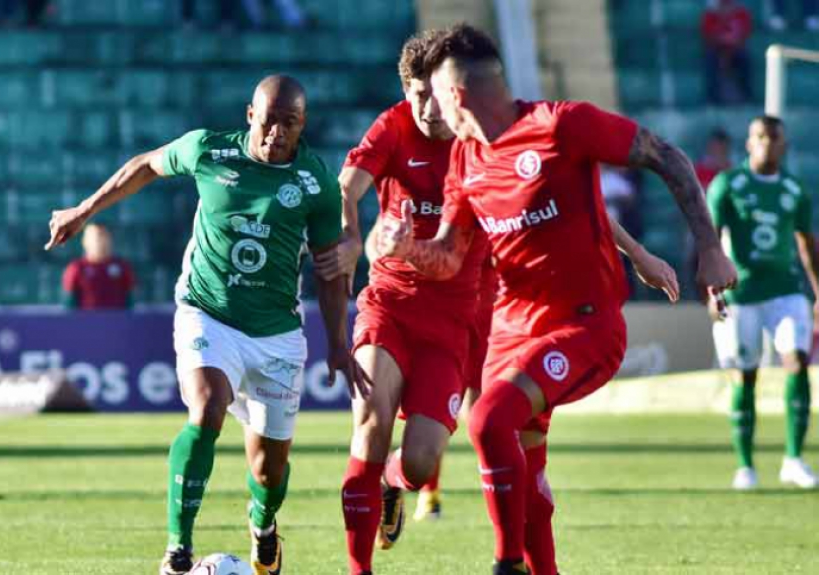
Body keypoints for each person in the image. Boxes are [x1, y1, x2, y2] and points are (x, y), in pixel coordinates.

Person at [314, 29, 681, 575]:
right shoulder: (396, 128)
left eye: (434, 96)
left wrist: (637, 254)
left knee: (423, 462)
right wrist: (354, 239)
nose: (426, 109)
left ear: (455, 91)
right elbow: (348, 186)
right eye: (416, 95)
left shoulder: (495, 141)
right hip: (392, 302)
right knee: (375, 422)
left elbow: (573, 201)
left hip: (467, 315)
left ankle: (400, 482)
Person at [45, 74, 364, 575]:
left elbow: (329, 271)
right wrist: (84, 212)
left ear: (303, 126)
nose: (277, 132)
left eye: (290, 123)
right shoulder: (208, 151)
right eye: (269, 120)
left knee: (269, 468)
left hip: (276, 333)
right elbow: (145, 165)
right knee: (207, 408)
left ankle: (263, 523)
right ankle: (178, 549)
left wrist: (339, 343)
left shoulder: (316, 183)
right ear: (249, 114)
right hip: (207, 311)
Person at [707, 116, 819, 490]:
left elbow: (806, 243)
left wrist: (818, 291)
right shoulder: (728, 185)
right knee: (745, 375)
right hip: (740, 294)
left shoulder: (794, 189)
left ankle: (793, 459)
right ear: (748, 143)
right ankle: (745, 466)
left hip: (786, 290)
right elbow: (708, 239)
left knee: (797, 361)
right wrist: (713, 290)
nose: (767, 144)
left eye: (774, 138)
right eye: (760, 137)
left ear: (784, 145)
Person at [61, 223, 137, 310]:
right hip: (87, 322)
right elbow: (69, 304)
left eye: (104, 236)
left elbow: (130, 301)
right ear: (85, 241)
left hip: (116, 321)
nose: (100, 241)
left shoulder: (123, 267)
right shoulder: (76, 268)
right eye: (96, 237)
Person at [701, 0, 753, 104]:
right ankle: (712, 98)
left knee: (744, 58)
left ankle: (747, 96)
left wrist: (731, 45)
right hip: (717, 49)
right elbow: (708, 36)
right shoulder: (710, 15)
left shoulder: (741, 13)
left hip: (735, 49)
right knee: (710, 59)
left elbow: (744, 34)